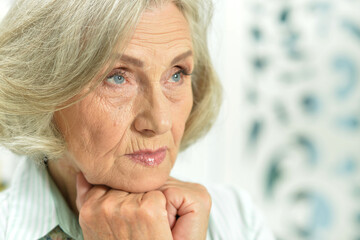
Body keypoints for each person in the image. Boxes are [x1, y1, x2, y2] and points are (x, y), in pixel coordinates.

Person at [0, 0, 275, 239]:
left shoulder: (237, 219)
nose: (160, 121)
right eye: (117, 77)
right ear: (41, 89)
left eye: (176, 74)